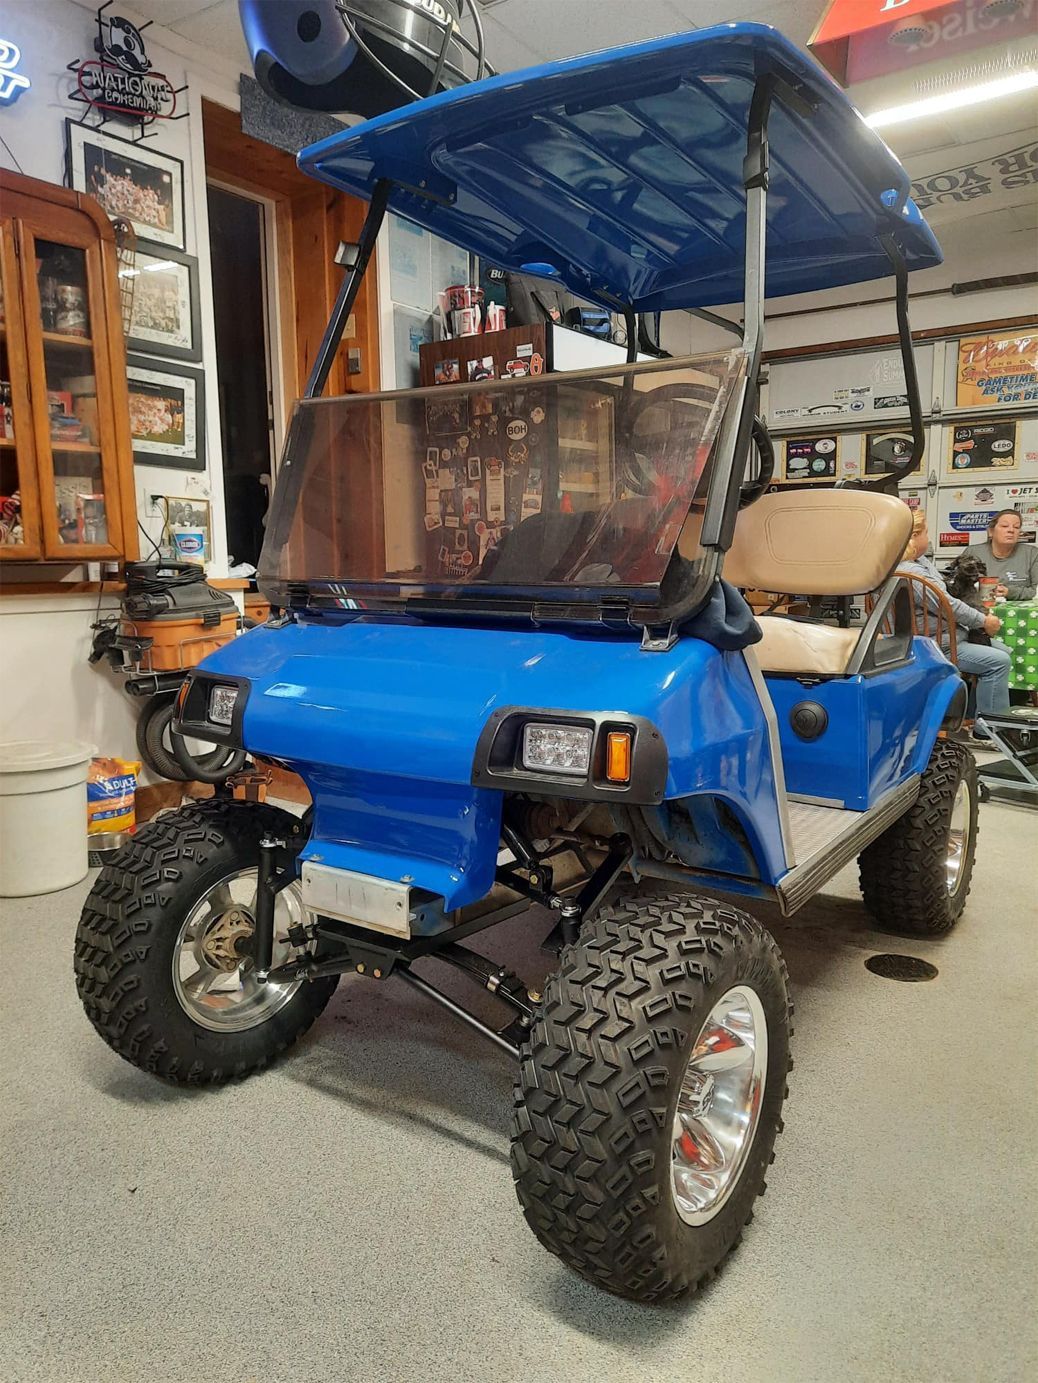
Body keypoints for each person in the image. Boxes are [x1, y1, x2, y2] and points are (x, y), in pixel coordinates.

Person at [899, 510, 1011, 719]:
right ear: (913, 537)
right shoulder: (911, 572)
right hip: (935, 644)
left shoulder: (919, 563)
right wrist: (983, 621)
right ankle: (990, 729)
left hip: (949, 636)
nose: (929, 539)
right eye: (925, 533)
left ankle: (975, 715)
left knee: (1004, 650)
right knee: (998, 662)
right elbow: (948, 605)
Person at [964, 508, 1037, 601]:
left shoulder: (1032, 554)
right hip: (978, 611)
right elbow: (958, 588)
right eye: (1005, 526)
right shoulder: (973, 552)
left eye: (1016, 527)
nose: (1011, 530)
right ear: (991, 531)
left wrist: (1009, 592)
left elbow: (1036, 591)